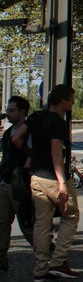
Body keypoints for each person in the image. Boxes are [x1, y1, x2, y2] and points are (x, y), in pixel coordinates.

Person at [12, 84, 80, 282]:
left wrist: (32, 155)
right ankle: (58, 262)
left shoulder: (35, 117)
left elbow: (16, 138)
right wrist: (62, 183)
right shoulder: (58, 123)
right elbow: (56, 154)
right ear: (62, 101)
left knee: (42, 224)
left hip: (36, 177)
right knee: (71, 216)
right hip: (53, 178)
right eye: (71, 100)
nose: (72, 104)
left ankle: (40, 269)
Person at [0, 96, 31, 272]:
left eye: (11, 110)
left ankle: (47, 258)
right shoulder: (7, 133)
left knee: (27, 224)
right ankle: (1, 260)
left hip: (20, 184)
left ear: (22, 112)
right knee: (1, 223)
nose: (8, 113)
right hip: (5, 183)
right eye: (8, 110)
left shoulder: (29, 132)